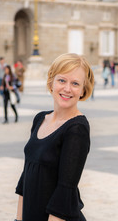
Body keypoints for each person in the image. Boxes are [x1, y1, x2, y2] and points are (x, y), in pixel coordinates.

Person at [15, 53, 94, 221]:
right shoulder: (40, 118)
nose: (67, 88)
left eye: (75, 83)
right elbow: (26, 177)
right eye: (62, 80)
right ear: (51, 82)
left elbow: (65, 190)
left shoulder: (76, 129)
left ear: (83, 90)